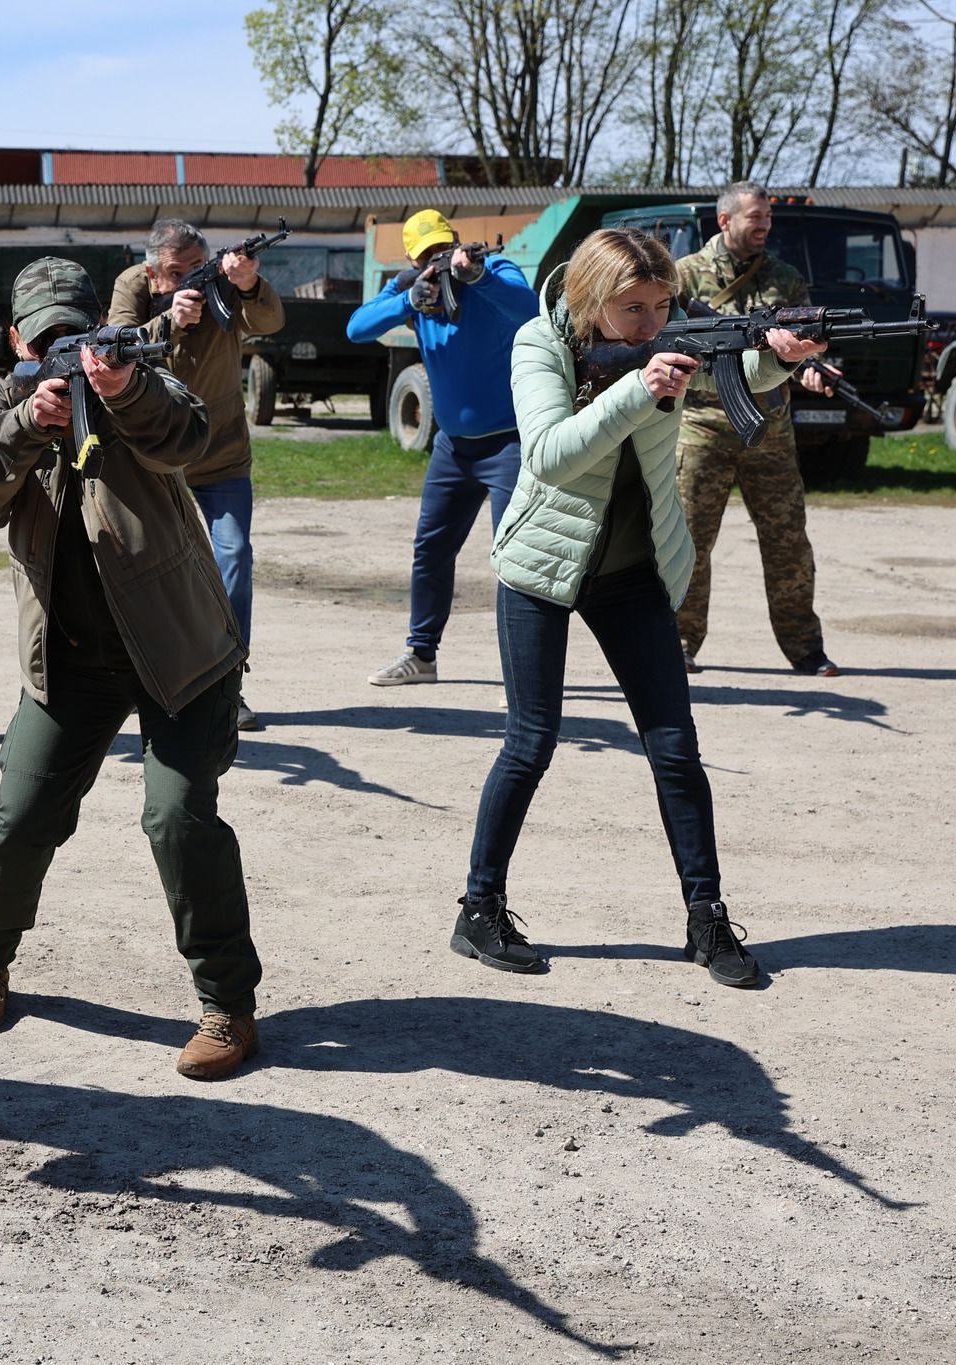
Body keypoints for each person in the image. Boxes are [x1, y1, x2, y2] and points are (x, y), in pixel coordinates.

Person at [453, 227, 826, 990]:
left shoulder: (674, 334)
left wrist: (780, 358)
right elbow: (550, 455)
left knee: (676, 748)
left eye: (661, 306)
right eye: (633, 310)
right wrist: (639, 387)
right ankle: (479, 909)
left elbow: (739, 369)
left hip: (634, 571)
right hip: (543, 567)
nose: (652, 323)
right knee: (530, 742)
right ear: (593, 299)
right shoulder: (539, 343)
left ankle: (706, 917)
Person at [0, 258, 262, 1079]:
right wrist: (25, 425)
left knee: (178, 818)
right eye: (48, 339)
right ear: (19, 342)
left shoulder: (140, 382)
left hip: (179, 654)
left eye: (78, 335)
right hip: (71, 662)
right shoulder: (5, 403)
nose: (68, 351)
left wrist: (124, 391)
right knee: (18, 817)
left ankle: (227, 1002)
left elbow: (190, 435)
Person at [346, 210, 537, 688]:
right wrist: (407, 298)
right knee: (430, 550)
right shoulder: (415, 290)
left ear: (456, 242)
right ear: (413, 260)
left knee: (514, 558)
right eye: (427, 254)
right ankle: (421, 655)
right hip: (452, 448)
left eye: (442, 248)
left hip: (509, 443)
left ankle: (523, 676)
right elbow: (356, 329)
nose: (438, 259)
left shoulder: (495, 269)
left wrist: (478, 277)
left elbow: (531, 309)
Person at [108, 219, 282, 731]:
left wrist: (249, 282)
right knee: (146, 568)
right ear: (153, 272)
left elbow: (270, 321)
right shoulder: (133, 285)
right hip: (154, 454)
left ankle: (228, 685)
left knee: (234, 556)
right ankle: (148, 680)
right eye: (177, 272)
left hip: (220, 451)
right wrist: (169, 321)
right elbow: (113, 346)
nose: (190, 278)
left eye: (197, 267)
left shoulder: (227, 283)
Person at [673, 183, 841, 677]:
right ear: (725, 220)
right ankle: (679, 643)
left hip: (769, 430)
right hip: (701, 428)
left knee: (789, 543)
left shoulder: (785, 278)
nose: (764, 224)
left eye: (768, 217)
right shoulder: (684, 276)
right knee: (688, 543)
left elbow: (805, 339)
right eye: (755, 217)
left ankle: (805, 649)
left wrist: (809, 366)